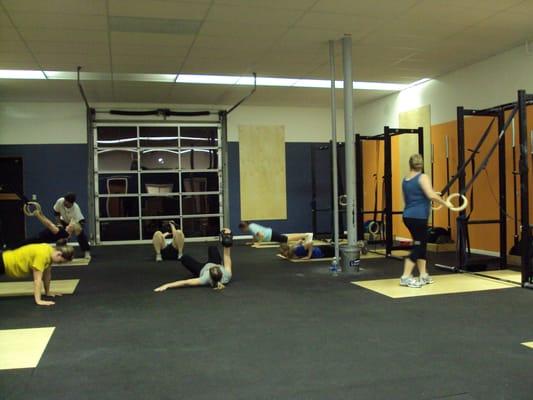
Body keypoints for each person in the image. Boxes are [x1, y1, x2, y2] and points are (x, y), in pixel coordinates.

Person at [400, 154, 448, 288]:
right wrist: (446, 203)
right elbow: (431, 195)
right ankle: (405, 276)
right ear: (421, 165)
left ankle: (423, 275)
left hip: (408, 216)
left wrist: (430, 196)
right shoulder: (423, 177)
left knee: (421, 244)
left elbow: (409, 199)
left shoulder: (405, 180)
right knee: (419, 245)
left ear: (410, 164)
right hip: (419, 218)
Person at [154, 228, 233, 292]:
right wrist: (227, 238)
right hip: (214, 261)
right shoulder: (227, 274)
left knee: (184, 258)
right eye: (218, 267)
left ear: (209, 274)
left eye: (211, 269)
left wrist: (166, 285)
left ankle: (180, 255)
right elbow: (227, 256)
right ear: (220, 268)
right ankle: (215, 256)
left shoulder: (204, 279)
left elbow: (186, 283)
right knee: (212, 248)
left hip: (201, 269)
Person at [0, 241, 75, 306]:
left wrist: (47, 292)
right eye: (60, 262)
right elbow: (37, 280)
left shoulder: (50, 250)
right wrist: (38, 300)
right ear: (59, 254)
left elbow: (47, 274)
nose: (58, 263)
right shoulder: (42, 255)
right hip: (4, 263)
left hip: (5, 261)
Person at [18, 209, 82, 251]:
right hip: (40, 240)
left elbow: (48, 224)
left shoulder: (63, 233)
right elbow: (49, 222)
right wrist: (42, 214)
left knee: (20, 245)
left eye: (70, 225)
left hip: (38, 239)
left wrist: (38, 216)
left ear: (71, 229)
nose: (68, 225)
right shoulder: (65, 234)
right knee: (22, 246)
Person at [53, 193, 91, 258]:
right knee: (60, 235)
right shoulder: (60, 201)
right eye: (65, 202)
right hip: (64, 220)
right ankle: (60, 253)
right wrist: (59, 224)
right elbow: (56, 213)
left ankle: (86, 251)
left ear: (72, 203)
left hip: (77, 221)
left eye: (67, 204)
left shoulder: (75, 209)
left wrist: (67, 235)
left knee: (80, 234)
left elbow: (72, 225)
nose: (65, 204)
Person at [238, 221, 312, 244]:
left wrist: (259, 244)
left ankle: (306, 235)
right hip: (270, 234)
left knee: (286, 239)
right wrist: (252, 242)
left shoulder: (251, 227)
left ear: (244, 227)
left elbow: (261, 235)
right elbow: (255, 236)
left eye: (242, 230)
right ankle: (304, 236)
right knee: (285, 238)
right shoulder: (251, 226)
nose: (242, 231)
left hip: (270, 235)